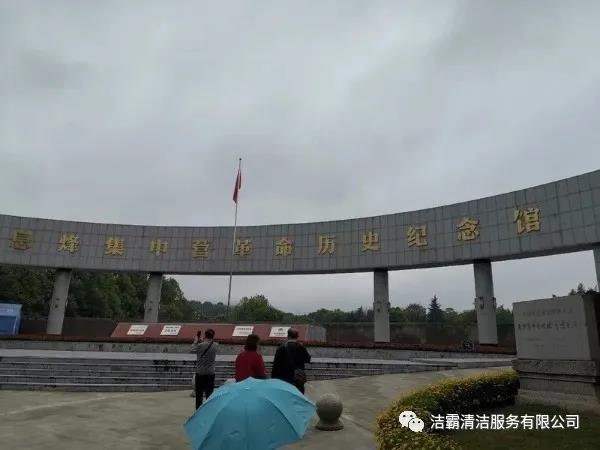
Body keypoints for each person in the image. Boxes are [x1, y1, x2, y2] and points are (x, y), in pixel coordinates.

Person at [271, 328, 311, 394]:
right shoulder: (301, 347)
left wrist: (273, 379)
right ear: (297, 336)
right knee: (298, 396)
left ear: (288, 336)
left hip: (284, 378)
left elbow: (276, 364)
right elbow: (308, 359)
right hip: (298, 378)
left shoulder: (281, 347)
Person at [190, 328, 218, 409]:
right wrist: (203, 341)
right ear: (213, 336)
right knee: (209, 394)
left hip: (200, 373)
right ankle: (209, 410)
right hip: (210, 373)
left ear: (205, 335)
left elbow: (192, 350)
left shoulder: (200, 345)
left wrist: (196, 341)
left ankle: (199, 411)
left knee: (199, 395)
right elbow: (208, 344)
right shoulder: (216, 345)